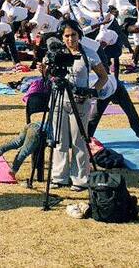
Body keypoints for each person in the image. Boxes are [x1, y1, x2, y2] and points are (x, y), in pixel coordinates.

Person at [49, 20, 108, 191]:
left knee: (79, 141)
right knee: (60, 141)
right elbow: (50, 76)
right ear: (61, 37)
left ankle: (80, 179)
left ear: (79, 35)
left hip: (80, 103)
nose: (70, 39)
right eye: (66, 36)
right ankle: (59, 177)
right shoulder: (56, 54)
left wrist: (90, 92)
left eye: (73, 35)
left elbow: (103, 77)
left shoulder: (89, 54)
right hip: (60, 100)